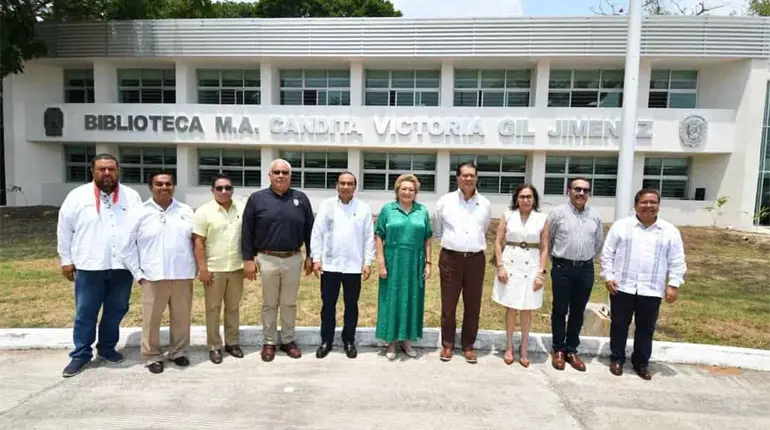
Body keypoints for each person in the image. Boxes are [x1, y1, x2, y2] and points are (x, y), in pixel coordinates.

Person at [56, 153, 142, 377]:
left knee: (117, 310)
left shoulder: (131, 196)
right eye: (101, 169)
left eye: (111, 169)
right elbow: (64, 230)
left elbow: (139, 230)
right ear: (93, 171)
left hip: (122, 266)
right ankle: (81, 355)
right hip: (89, 265)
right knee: (86, 312)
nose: (107, 173)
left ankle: (106, 348)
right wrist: (66, 260)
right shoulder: (77, 196)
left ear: (118, 171)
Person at [600, 188, 687, 380]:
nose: (649, 206)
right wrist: (608, 276)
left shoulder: (669, 231)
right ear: (636, 205)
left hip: (651, 288)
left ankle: (641, 363)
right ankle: (617, 359)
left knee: (646, 328)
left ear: (658, 206)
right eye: (644, 202)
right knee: (619, 325)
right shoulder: (621, 226)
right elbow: (607, 253)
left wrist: (673, 284)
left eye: (653, 202)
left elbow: (677, 259)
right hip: (622, 286)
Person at [122, 171, 196, 374]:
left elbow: (195, 241)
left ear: (174, 186)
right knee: (151, 319)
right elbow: (126, 247)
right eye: (159, 184)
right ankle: (152, 355)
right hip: (152, 276)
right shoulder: (139, 212)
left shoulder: (185, 210)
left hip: (182, 274)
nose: (164, 187)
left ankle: (179, 352)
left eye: (168, 184)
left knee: (182, 318)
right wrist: (138, 274)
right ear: (150, 187)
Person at [241, 159, 314, 362]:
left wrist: (311, 255)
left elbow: (310, 229)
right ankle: (269, 341)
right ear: (270, 175)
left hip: (293, 258)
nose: (281, 176)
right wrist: (247, 259)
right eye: (277, 172)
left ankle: (288, 340)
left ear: (290, 176)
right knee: (269, 303)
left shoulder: (300, 198)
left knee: (289, 303)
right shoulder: (257, 199)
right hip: (267, 258)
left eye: (284, 172)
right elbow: (247, 230)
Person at [310, 172, 375, 359]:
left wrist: (367, 262)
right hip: (330, 265)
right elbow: (317, 233)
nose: (345, 186)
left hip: (353, 266)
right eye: (342, 183)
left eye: (349, 183)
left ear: (355, 187)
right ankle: (326, 341)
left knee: (351, 305)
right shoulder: (327, 205)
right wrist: (316, 258)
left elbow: (368, 237)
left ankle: (349, 340)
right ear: (336, 186)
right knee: (328, 305)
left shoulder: (363, 208)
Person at [431, 162, 491, 364]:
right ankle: (447, 344)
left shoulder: (485, 204)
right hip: (451, 258)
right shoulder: (445, 201)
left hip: (475, 260)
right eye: (464, 175)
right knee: (448, 304)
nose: (468, 179)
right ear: (457, 178)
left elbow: (484, 228)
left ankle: (468, 345)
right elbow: (437, 229)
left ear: (476, 178)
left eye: (472, 175)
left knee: (473, 305)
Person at [546, 177, 604, 372]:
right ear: (568, 191)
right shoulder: (557, 213)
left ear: (589, 194)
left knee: (578, 311)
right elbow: (549, 240)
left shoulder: (595, 216)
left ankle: (571, 350)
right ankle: (558, 349)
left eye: (585, 190)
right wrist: (558, 261)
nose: (581, 193)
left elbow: (598, 243)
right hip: (562, 267)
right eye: (577, 189)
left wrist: (584, 259)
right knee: (560, 310)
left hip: (585, 269)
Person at [374, 173, 433, 360]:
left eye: (411, 189)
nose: (407, 192)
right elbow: (379, 236)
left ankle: (407, 341)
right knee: (391, 299)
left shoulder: (422, 211)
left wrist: (428, 263)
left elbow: (427, 238)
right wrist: (381, 262)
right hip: (393, 261)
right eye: (404, 189)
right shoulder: (388, 210)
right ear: (397, 190)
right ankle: (391, 341)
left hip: (415, 262)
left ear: (416, 192)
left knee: (412, 299)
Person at [492, 184, 549, 368]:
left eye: (529, 197)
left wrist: (541, 273)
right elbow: (498, 242)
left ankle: (524, 347)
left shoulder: (542, 218)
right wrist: (500, 266)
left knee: (527, 308)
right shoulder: (508, 215)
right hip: (511, 264)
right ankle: (509, 346)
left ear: (534, 199)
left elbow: (545, 247)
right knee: (511, 306)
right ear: (516, 199)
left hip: (531, 265)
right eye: (522, 196)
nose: (526, 200)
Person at [193, 173, 246, 364]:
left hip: (236, 268)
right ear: (212, 190)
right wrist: (203, 269)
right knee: (213, 309)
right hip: (214, 269)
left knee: (233, 307)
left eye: (228, 188)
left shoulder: (241, 208)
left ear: (232, 190)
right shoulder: (204, 212)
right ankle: (214, 346)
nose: (224, 191)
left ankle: (232, 343)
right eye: (220, 188)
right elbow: (198, 242)